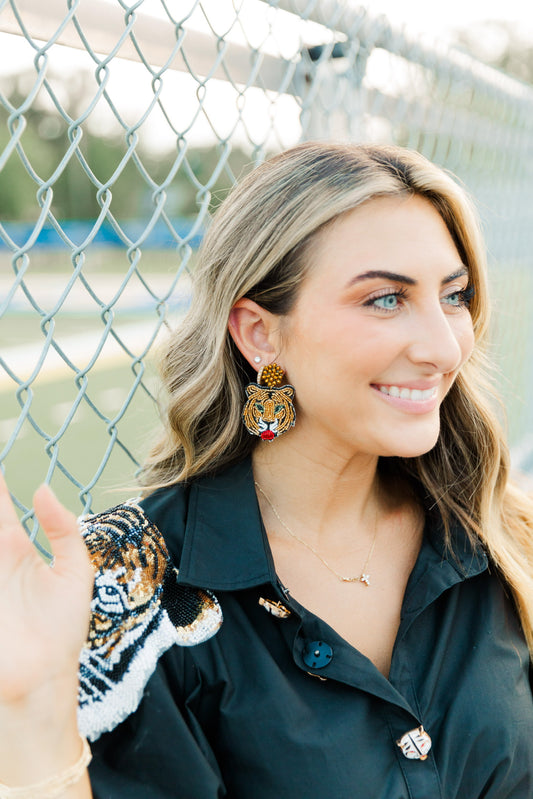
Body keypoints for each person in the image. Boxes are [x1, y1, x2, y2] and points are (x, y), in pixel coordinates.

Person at [1, 142, 533, 799]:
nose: (443, 346)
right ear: (259, 334)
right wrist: (26, 714)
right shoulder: (142, 598)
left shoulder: (499, 532)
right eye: (385, 299)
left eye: (453, 295)